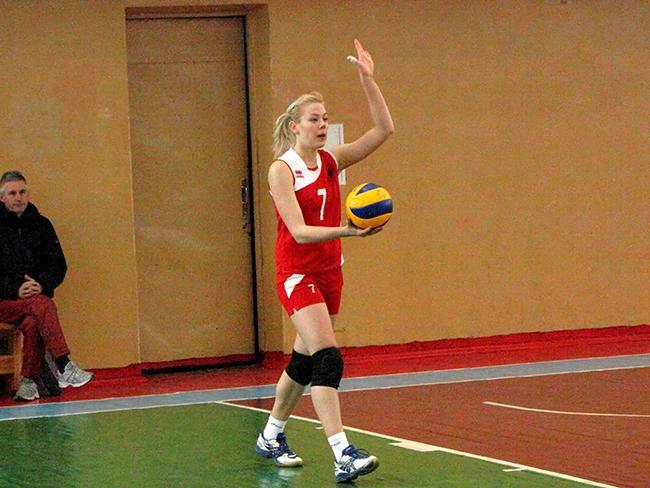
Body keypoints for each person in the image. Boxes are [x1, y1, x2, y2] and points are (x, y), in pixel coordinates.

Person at [256, 39, 394, 483]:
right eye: (314, 119)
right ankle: (342, 452)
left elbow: (383, 130)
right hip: (297, 273)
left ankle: (271, 435)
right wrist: (348, 231)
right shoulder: (282, 170)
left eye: (325, 118)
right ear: (294, 126)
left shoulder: (331, 161)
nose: (322, 124)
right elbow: (298, 231)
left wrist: (368, 80)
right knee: (328, 357)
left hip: (330, 271)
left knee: (302, 363)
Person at [0, 170, 93, 401]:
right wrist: (15, 289)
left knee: (33, 322)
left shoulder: (42, 225)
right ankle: (64, 364)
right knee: (43, 305)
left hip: (33, 301)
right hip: (4, 301)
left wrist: (41, 284)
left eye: (22, 192)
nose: (18, 197)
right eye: (12, 193)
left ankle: (28, 383)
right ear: (2, 197)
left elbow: (58, 265)